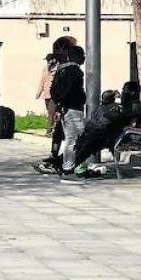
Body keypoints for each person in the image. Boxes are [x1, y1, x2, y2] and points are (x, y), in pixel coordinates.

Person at [67, 90, 127, 177]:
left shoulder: (110, 109)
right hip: (96, 134)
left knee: (84, 145)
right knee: (81, 143)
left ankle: (72, 166)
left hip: (102, 137)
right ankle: (72, 165)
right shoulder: (107, 108)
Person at [51, 45, 87, 183]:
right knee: (75, 140)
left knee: (71, 139)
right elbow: (71, 90)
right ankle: (68, 169)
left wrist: (59, 106)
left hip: (65, 108)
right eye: (83, 55)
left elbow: (53, 91)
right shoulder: (75, 72)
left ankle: (67, 165)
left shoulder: (60, 71)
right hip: (73, 109)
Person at [35, 53, 59, 136]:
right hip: (46, 94)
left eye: (49, 60)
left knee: (51, 113)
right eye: (47, 60)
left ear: (54, 60)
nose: (48, 62)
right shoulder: (45, 69)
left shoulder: (58, 69)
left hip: (55, 95)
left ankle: (49, 131)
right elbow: (42, 81)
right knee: (51, 112)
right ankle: (55, 128)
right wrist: (38, 93)